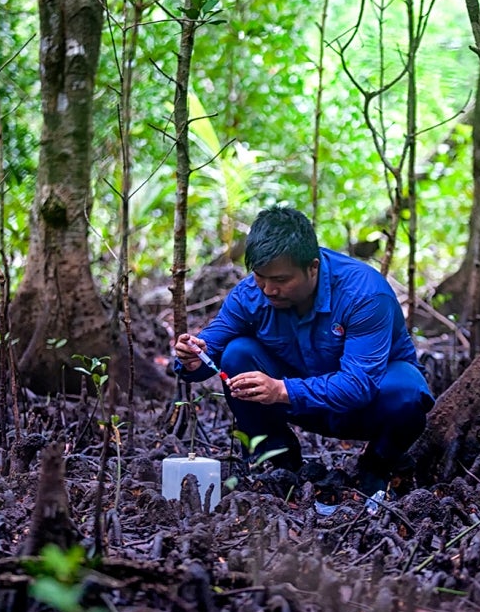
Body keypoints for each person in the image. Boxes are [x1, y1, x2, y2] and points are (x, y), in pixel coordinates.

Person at [173, 207, 434, 495]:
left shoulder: (365, 294)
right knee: (237, 354)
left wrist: (282, 390)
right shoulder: (250, 293)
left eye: (281, 280)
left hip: (365, 405)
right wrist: (193, 357)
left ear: (313, 267)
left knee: (408, 392)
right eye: (260, 276)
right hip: (301, 400)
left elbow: (358, 385)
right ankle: (278, 460)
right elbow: (212, 345)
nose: (269, 289)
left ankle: (378, 464)